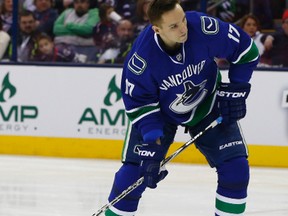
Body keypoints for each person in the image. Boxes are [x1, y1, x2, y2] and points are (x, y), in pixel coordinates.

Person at [103, 0, 259, 215]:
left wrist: (237, 88)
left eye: (183, 20)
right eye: (174, 26)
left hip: (208, 102)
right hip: (160, 114)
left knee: (236, 171)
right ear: (157, 29)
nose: (184, 28)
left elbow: (246, 50)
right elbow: (140, 106)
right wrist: (152, 141)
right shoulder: (140, 61)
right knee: (133, 176)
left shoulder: (203, 27)